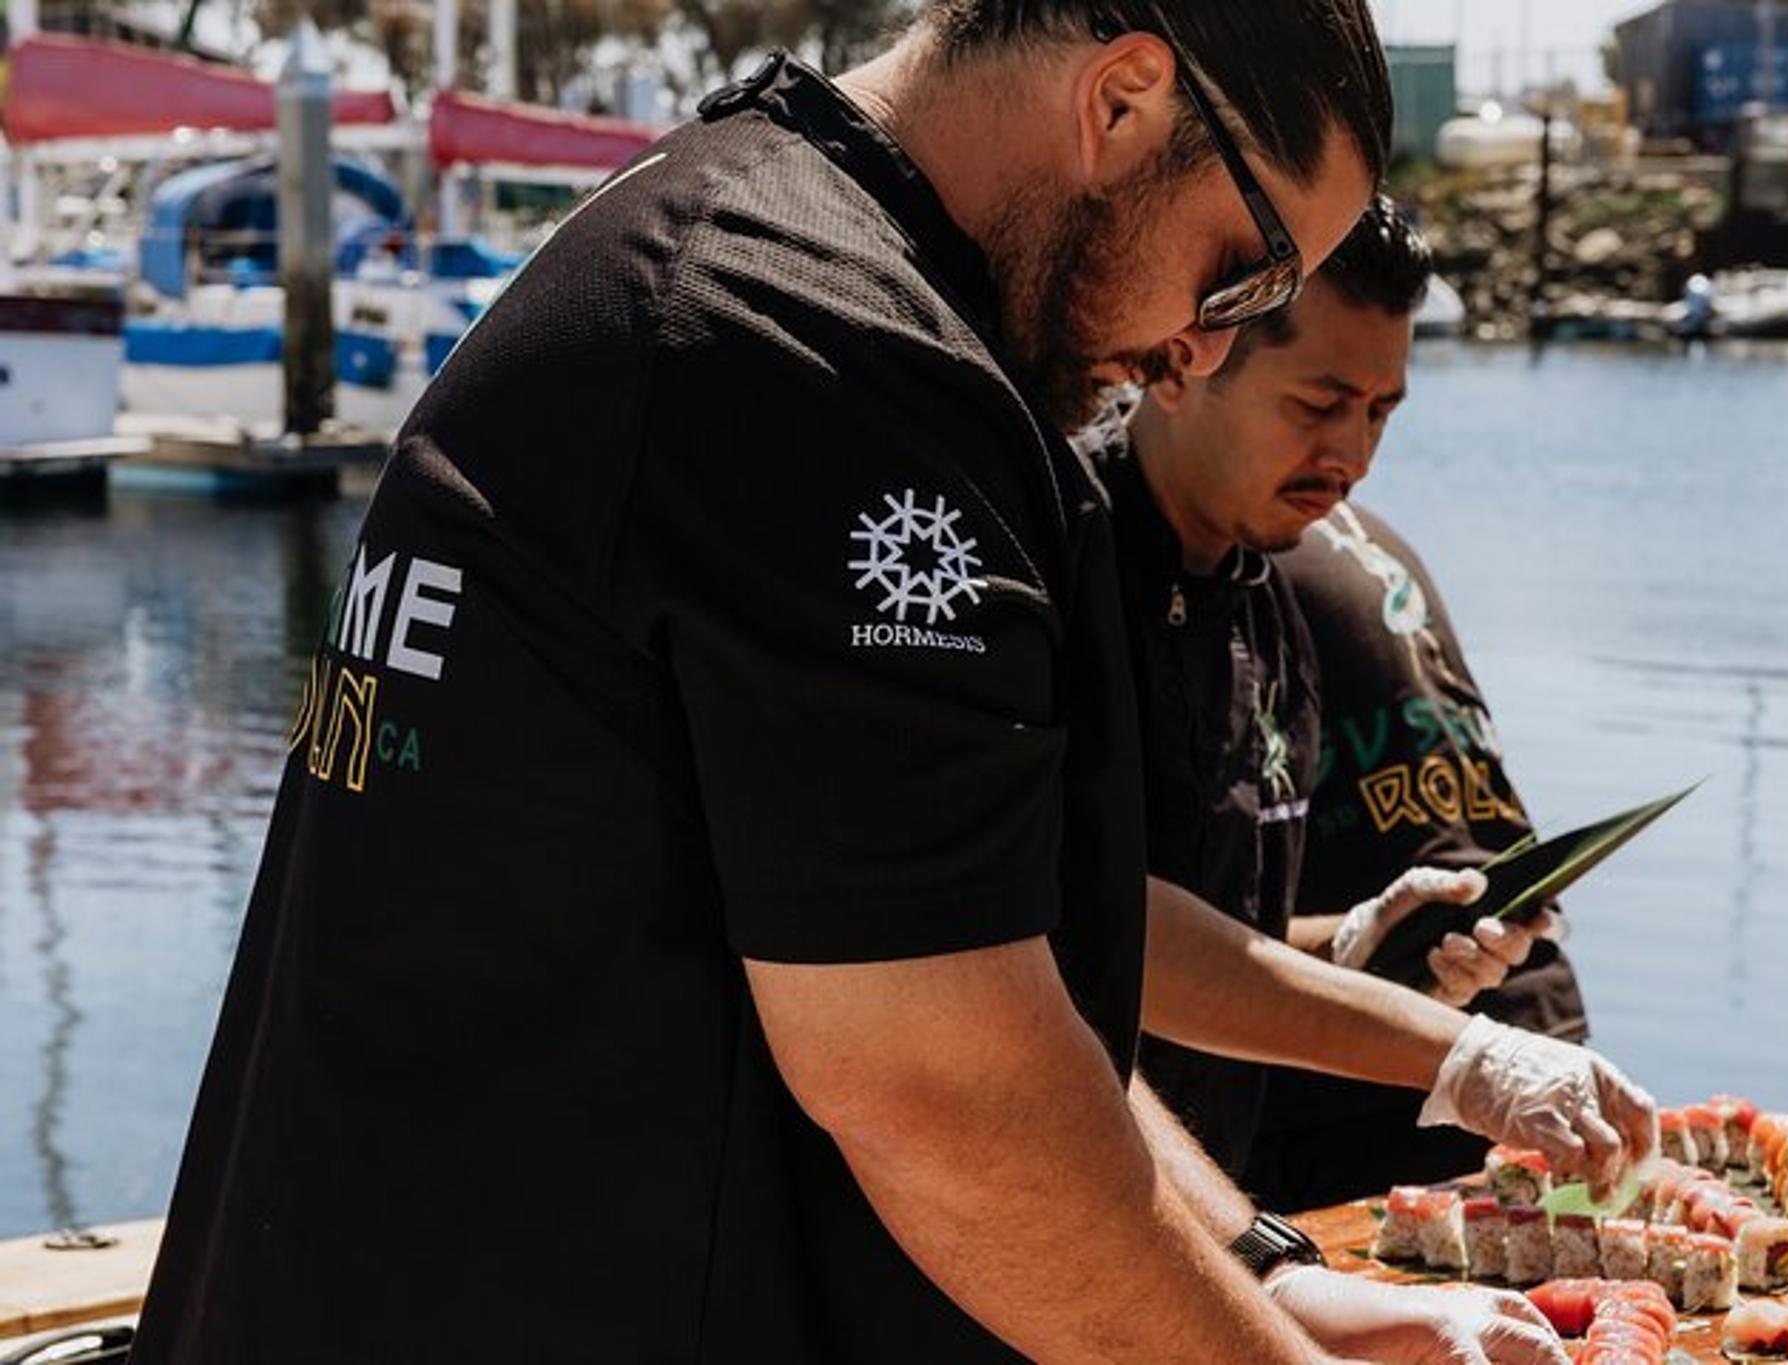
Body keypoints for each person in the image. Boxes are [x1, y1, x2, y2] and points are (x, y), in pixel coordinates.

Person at [132, 7, 1639, 1362]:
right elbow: (945, 1096)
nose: (1201, 345)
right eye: (1242, 278)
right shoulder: (817, 357)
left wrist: (1265, 1278)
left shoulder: (733, 246)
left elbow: (975, 977)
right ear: (1120, 100)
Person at [1083, 200, 1571, 1188]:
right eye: (1316, 405)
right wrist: (1455, 1056)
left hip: (1208, 1202)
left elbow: (1230, 939)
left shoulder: (1266, 586)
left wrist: (1361, 939)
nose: (1351, 457)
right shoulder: (1055, 564)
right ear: (1181, 359)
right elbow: (1076, 927)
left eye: (1380, 410)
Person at [1248, 492, 1595, 1211]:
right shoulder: (1364, 529)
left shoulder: (1234, 545)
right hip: (1538, 1024)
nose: (1355, 448)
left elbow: (1171, 926)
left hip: (1381, 1074)